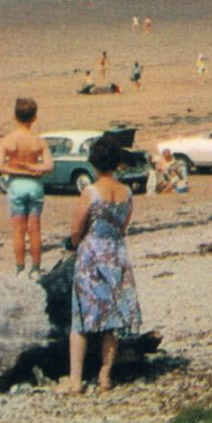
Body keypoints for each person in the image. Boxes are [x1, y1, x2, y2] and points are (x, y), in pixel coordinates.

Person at [64, 134, 143, 394]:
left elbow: (76, 228)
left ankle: (75, 380)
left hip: (92, 253)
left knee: (83, 317)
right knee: (112, 315)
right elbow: (123, 225)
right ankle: (105, 375)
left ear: (94, 163)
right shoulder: (126, 192)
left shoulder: (91, 192)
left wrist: (74, 244)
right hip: (116, 253)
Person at [0, 97, 53, 279]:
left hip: (17, 185)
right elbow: (49, 166)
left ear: (15, 116)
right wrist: (33, 168)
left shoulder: (8, 140)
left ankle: (20, 268)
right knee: (34, 229)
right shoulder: (38, 142)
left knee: (18, 229)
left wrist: (17, 168)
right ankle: (35, 268)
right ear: (34, 118)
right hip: (34, 186)